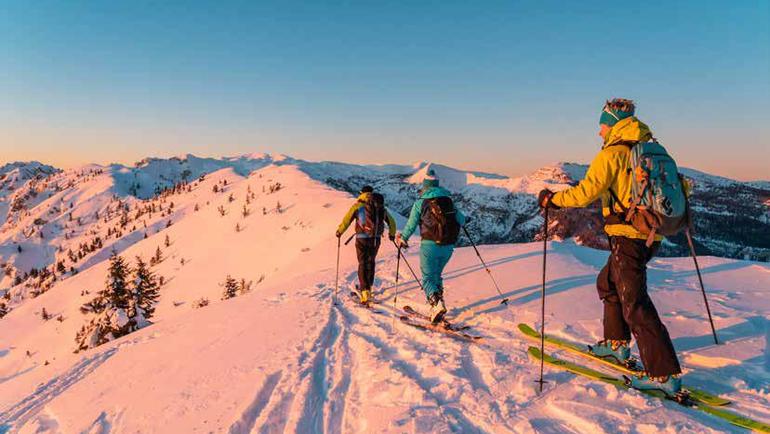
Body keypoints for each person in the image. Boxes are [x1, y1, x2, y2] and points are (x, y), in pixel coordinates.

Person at [538, 98, 682, 396]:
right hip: (651, 233)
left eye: (602, 125)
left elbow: (586, 193)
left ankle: (663, 374)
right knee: (609, 282)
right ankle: (616, 344)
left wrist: (553, 201)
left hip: (627, 236)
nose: (599, 132)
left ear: (613, 124)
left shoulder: (613, 154)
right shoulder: (653, 150)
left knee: (635, 302)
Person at [396, 169, 466, 323]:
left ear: (425, 185)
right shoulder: (449, 201)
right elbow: (462, 220)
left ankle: (436, 304)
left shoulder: (420, 202)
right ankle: (440, 303)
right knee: (436, 275)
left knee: (427, 278)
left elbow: (411, 224)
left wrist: (403, 238)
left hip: (429, 245)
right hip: (448, 246)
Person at [336, 185, 397, 304]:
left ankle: (365, 291)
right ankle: (368, 287)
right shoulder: (379, 206)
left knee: (363, 262)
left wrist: (339, 232)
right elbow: (392, 222)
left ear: (361, 193)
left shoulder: (358, 206)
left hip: (361, 239)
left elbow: (346, 220)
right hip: (376, 239)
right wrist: (392, 234)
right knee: (371, 261)